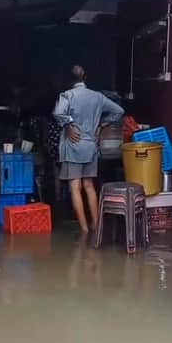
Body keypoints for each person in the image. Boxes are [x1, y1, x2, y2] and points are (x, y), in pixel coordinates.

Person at [53, 65, 124, 234]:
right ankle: (96, 226)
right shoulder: (97, 97)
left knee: (75, 188)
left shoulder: (67, 95)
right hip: (90, 146)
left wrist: (68, 124)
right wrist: (101, 125)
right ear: (85, 77)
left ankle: (84, 230)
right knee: (89, 186)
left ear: (69, 80)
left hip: (73, 147)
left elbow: (57, 113)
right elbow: (119, 111)